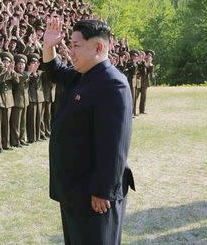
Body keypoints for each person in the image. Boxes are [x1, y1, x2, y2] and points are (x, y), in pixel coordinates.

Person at [42, 17, 135, 244]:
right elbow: (54, 70)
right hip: (74, 189)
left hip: (94, 194)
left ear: (99, 47)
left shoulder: (112, 84)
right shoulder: (83, 75)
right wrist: (48, 45)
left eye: (76, 46)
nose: (70, 52)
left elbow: (114, 145)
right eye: (70, 45)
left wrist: (103, 191)